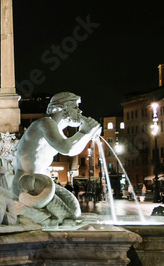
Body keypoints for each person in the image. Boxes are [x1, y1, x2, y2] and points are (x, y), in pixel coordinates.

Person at [12, 92, 101, 222]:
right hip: (27, 184)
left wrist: (88, 134)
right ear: (61, 108)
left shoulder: (57, 131)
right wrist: (84, 132)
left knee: (74, 210)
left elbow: (71, 151)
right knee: (71, 214)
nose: (80, 111)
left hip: (42, 182)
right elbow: (66, 148)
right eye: (75, 107)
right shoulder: (45, 123)